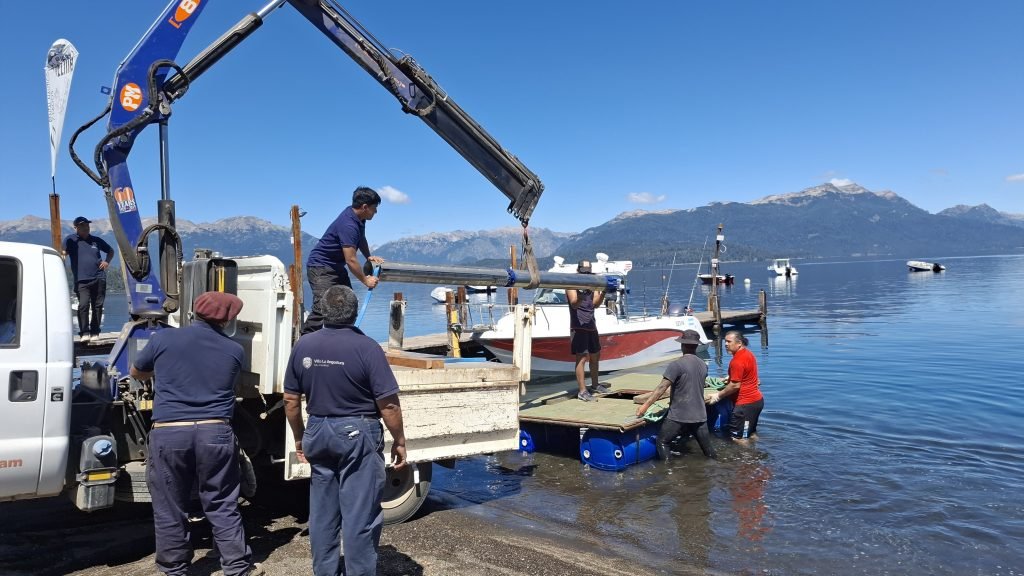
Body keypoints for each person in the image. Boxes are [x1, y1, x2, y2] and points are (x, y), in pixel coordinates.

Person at [130, 292, 262, 576]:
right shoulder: (234, 350)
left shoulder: (163, 339)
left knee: (169, 506)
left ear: (194, 311)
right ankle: (237, 567)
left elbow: (137, 371)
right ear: (227, 320)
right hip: (214, 431)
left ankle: (175, 570)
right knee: (222, 502)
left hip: (169, 432)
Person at [283, 285, 407, 576]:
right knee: (360, 515)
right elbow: (388, 406)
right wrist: (399, 440)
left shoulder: (304, 345)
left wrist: (300, 438)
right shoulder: (367, 348)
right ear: (353, 313)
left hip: (317, 430)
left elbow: (290, 400)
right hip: (356, 434)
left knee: (323, 514)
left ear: (324, 311)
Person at [302, 187, 385, 334]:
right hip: (320, 267)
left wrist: (368, 256)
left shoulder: (359, 218)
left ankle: (341, 339)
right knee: (322, 307)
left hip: (336, 267)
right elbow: (351, 260)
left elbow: (361, 238)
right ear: (365, 207)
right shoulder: (348, 224)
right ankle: (304, 344)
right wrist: (366, 281)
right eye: (374, 208)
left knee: (349, 304)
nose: (376, 212)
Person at [636, 329, 716, 460]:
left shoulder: (676, 365)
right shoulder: (703, 365)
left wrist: (644, 406)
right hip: (700, 414)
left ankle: (669, 472)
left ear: (682, 345)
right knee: (708, 450)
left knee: (662, 442)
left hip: (679, 414)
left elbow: (662, 387)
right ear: (696, 345)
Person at [63, 216, 114, 343]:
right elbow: (63, 252)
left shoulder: (96, 241)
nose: (85, 227)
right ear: (76, 228)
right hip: (81, 280)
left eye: (87, 225)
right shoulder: (70, 240)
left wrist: (107, 262)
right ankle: (84, 332)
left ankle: (95, 332)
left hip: (99, 277)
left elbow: (110, 251)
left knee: (98, 306)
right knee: (83, 305)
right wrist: (62, 257)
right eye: (82, 226)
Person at [706, 330, 764, 441]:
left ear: (739, 343)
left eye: (729, 342)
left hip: (745, 406)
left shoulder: (737, 361)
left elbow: (735, 385)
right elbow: (749, 374)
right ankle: (756, 455)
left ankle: (746, 457)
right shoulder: (748, 354)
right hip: (756, 402)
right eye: (725, 342)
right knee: (749, 434)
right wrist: (730, 377)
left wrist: (718, 396)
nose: (726, 344)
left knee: (738, 438)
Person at [566, 259, 607, 401]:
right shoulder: (571, 284)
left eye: (588, 272)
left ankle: (595, 385)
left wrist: (603, 293)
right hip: (578, 326)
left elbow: (595, 304)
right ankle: (582, 391)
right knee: (582, 357)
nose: (586, 275)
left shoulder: (593, 284)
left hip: (591, 325)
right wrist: (582, 295)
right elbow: (574, 304)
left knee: (595, 355)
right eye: (584, 272)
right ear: (578, 271)